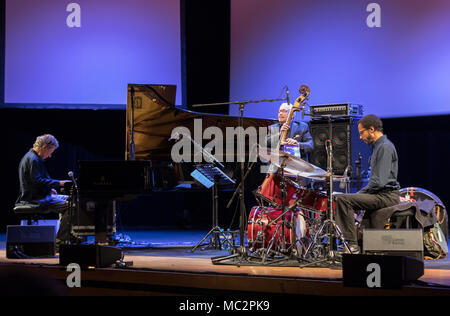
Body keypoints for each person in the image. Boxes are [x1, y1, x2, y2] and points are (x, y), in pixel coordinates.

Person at [334, 114, 400, 254]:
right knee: (346, 199)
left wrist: (358, 196)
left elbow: (379, 183)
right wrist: (359, 197)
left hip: (386, 196)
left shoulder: (385, 147)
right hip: (381, 194)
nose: (360, 137)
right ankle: (353, 244)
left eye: (361, 133)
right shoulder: (378, 147)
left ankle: (352, 246)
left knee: (343, 200)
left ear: (371, 129)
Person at [16, 134, 72, 244]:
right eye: (51, 152)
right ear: (45, 147)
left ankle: (66, 236)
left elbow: (34, 181)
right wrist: (59, 183)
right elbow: (37, 181)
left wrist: (49, 189)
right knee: (71, 207)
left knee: (70, 199)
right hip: (35, 198)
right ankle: (61, 241)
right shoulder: (33, 159)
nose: (50, 155)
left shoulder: (31, 157)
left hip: (39, 194)